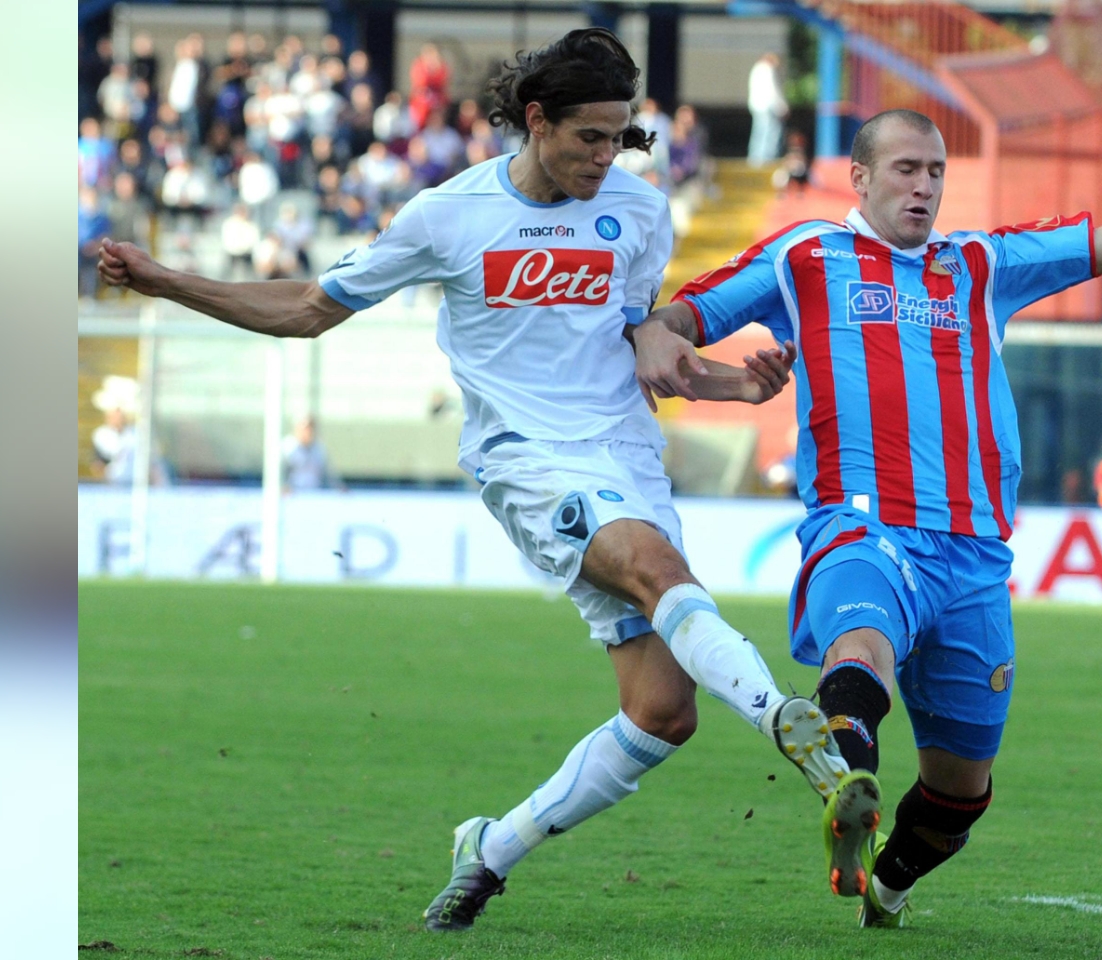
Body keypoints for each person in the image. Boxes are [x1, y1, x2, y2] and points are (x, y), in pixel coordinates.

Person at [96, 27, 852, 935]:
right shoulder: (446, 216)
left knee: (663, 711)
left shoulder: (640, 211)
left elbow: (638, 343)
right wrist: (168, 282)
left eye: (619, 139)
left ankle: (491, 847)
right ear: (536, 121)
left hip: (625, 455)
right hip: (528, 460)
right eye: (589, 138)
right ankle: (794, 730)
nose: (605, 157)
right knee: (657, 570)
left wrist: (727, 379)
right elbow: (306, 309)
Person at [634, 108, 1102, 926]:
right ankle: (843, 775)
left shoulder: (982, 264)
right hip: (863, 521)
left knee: (961, 791)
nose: (924, 186)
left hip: (975, 555)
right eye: (906, 169)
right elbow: (678, 320)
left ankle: (883, 884)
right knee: (862, 642)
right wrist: (673, 350)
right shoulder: (806, 258)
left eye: (936, 171)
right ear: (860, 176)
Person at [747, 53, 786, 168]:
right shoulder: (767, 69)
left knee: (758, 133)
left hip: (757, 106)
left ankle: (755, 159)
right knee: (770, 134)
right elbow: (773, 91)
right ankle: (767, 159)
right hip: (768, 107)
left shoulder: (756, 69)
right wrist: (782, 107)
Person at [281, 416, 336, 490]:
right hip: (292, 495)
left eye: (310, 428)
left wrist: (338, 488)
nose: (308, 431)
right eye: (305, 428)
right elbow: (279, 474)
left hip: (314, 495)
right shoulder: (287, 447)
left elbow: (329, 475)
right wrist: (283, 486)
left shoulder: (319, 449)